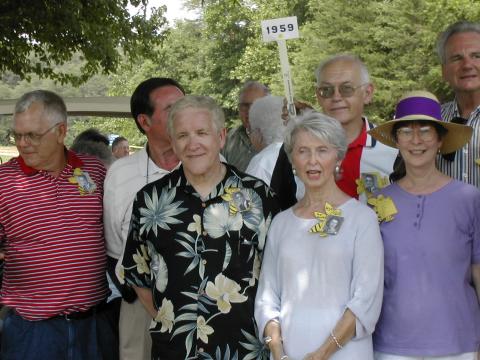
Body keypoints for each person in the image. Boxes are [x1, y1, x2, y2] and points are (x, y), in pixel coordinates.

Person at [120, 95, 280, 359]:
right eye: (182, 135)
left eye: (202, 133)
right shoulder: (150, 200)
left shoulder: (258, 197)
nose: (192, 144)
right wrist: (170, 320)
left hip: (244, 351)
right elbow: (139, 274)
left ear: (221, 136)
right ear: (172, 142)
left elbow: (277, 278)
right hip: (174, 351)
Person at [255, 112, 383, 360]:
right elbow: (267, 299)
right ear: (292, 159)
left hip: (346, 353)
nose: (312, 160)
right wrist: (278, 353)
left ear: (338, 156)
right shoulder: (281, 223)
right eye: (303, 151)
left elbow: (366, 299)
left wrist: (322, 354)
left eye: (322, 150)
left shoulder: (362, 219)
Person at [368, 91, 480, 359]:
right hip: (391, 345)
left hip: (459, 343)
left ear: (440, 139)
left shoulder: (470, 198)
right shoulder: (375, 204)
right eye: (405, 131)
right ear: (396, 141)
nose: (416, 140)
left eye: (426, 131)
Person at [0, 90, 108, 359]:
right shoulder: (4, 181)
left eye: (32, 135)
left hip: (92, 325)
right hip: (32, 333)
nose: (23, 144)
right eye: (17, 135)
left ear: (61, 131)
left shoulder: (94, 172)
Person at [103, 77, 185, 360]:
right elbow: (114, 244)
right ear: (145, 122)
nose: (182, 115)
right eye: (172, 109)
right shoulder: (121, 174)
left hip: (201, 302)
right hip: (139, 300)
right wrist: (135, 293)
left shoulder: (214, 165)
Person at [315, 54, 397, 201]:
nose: (336, 97)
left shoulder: (394, 149)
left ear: (367, 93)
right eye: (326, 90)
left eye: (346, 89)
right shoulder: (298, 152)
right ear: (318, 96)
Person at [436, 21, 480, 188]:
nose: (467, 65)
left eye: (476, 56)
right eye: (456, 58)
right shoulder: (432, 120)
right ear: (443, 71)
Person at [222, 81, 270, 171]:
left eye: (257, 105)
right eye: (245, 106)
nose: (250, 110)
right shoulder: (228, 141)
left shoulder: (282, 138)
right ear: (239, 108)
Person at [245, 95, 287, 185]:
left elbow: (250, 196)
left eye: (250, 130)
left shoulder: (262, 163)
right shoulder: (299, 151)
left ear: (259, 133)